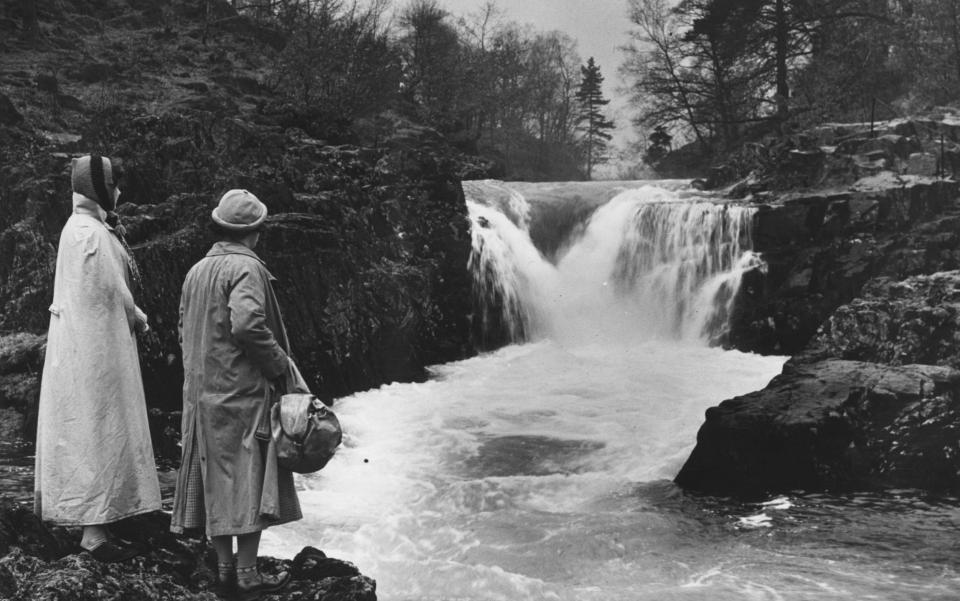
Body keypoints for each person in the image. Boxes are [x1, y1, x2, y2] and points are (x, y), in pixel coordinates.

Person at [170, 189, 301, 596]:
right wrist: (278, 366)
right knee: (247, 478)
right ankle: (247, 574)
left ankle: (225, 571)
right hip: (241, 392)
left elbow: (181, 329)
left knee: (216, 478)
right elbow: (247, 325)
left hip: (201, 394)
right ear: (256, 231)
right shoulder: (247, 268)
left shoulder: (196, 271)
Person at [34, 154, 162, 563]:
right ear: (99, 189)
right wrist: (139, 319)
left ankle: (101, 520)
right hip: (94, 350)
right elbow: (110, 290)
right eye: (114, 185)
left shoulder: (83, 227)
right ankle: (93, 528)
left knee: (97, 422)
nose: (119, 192)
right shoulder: (88, 234)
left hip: (91, 346)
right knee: (96, 423)